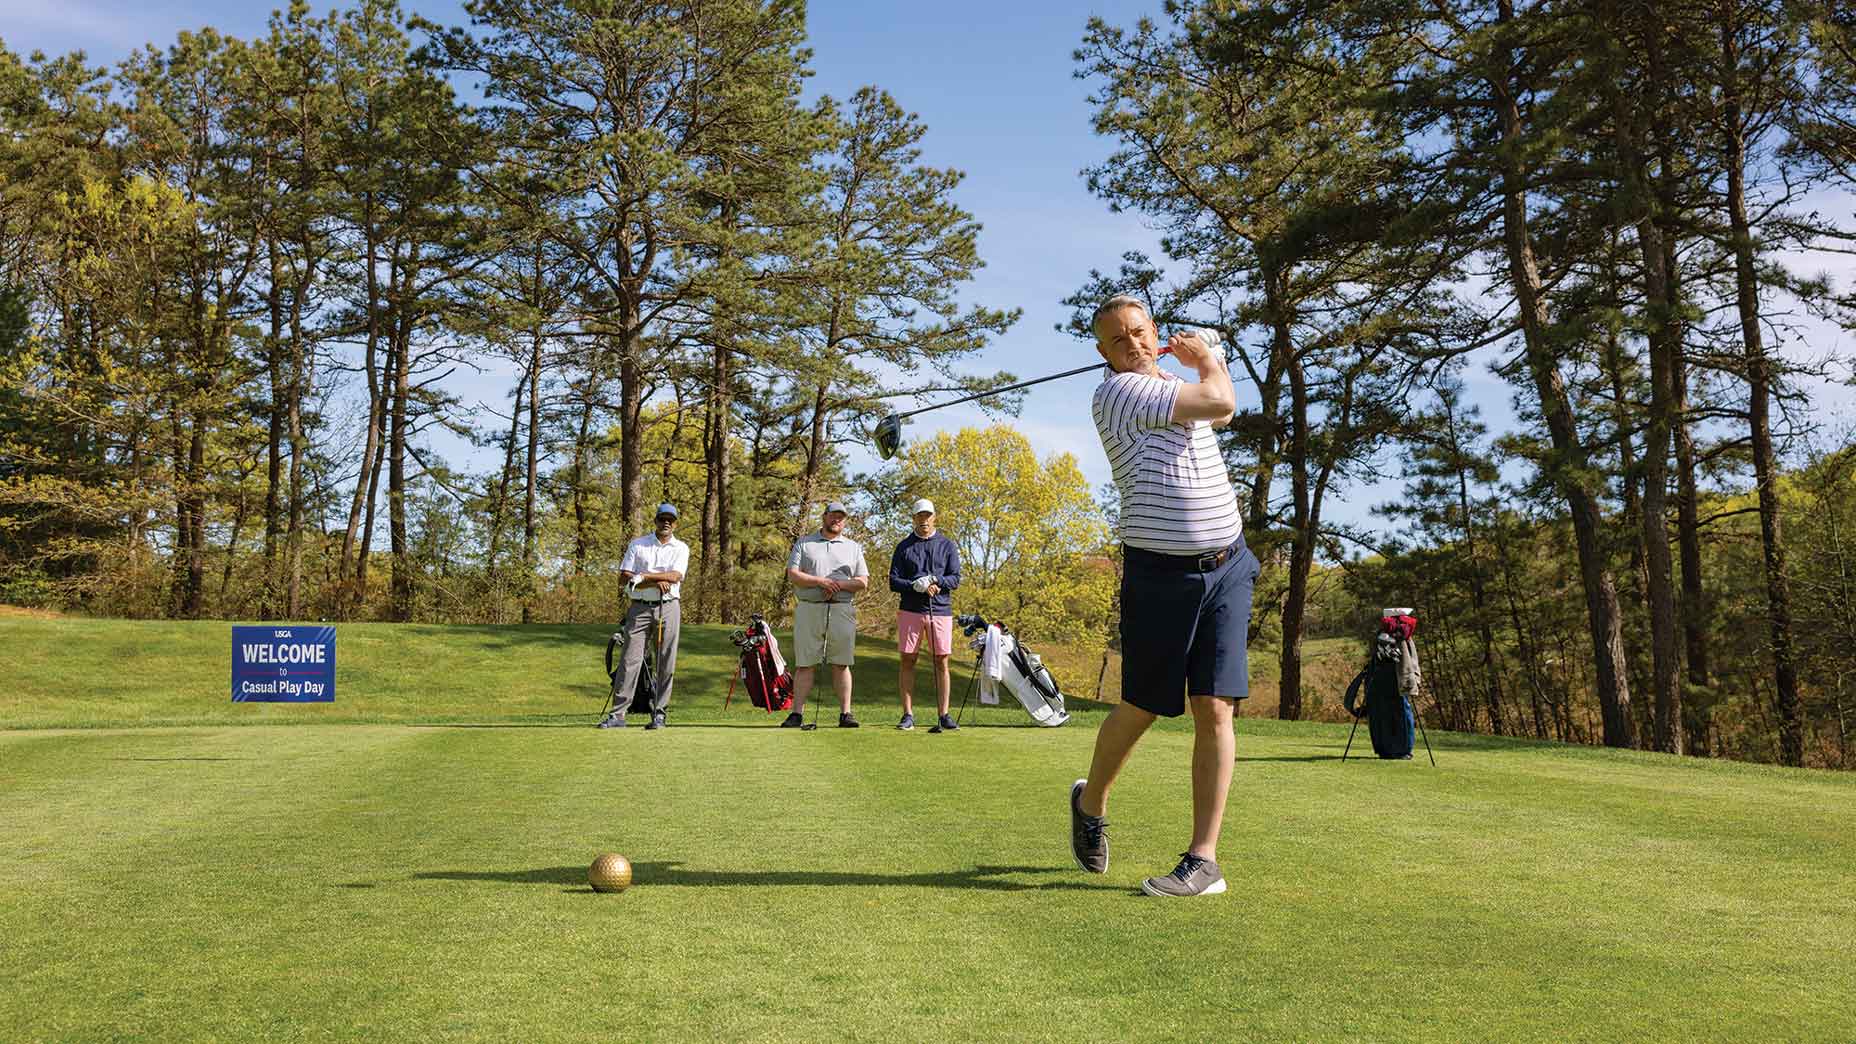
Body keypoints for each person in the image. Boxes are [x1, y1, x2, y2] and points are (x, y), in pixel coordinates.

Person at [1069, 293, 1259, 898]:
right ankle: (1091, 800)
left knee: (1215, 706)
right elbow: (1223, 401)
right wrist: (1207, 359)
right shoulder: (1120, 395)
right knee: (1145, 705)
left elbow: (1216, 387)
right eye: (1119, 340)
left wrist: (1204, 352)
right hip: (1159, 573)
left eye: (1142, 332)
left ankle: (1204, 861)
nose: (1135, 345)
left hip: (1229, 564)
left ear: (1155, 332)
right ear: (1104, 354)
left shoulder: (1170, 381)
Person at [598, 503, 688, 731]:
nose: (666, 523)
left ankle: (659, 712)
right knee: (629, 660)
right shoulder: (638, 545)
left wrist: (643, 577)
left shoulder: (681, 547)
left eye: (670, 519)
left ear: (675, 523)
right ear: (656, 520)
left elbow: (676, 576)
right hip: (639, 608)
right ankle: (618, 714)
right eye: (662, 518)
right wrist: (657, 580)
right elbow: (624, 577)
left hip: (668, 607)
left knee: (665, 660)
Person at [783, 500, 870, 728]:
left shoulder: (853, 547)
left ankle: (846, 714)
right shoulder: (805, 543)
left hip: (842, 609)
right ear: (824, 516)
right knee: (805, 663)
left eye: (841, 517)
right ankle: (796, 714)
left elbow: (862, 581)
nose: (837, 520)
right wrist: (821, 582)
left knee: (841, 662)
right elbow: (793, 574)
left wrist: (838, 585)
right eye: (833, 515)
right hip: (810, 608)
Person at [888, 498, 962, 732]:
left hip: (940, 610)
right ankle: (908, 714)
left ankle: (944, 714)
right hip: (911, 609)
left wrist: (935, 581)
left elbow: (955, 578)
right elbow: (893, 581)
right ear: (914, 519)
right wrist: (914, 585)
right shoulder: (904, 547)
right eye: (920, 516)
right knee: (908, 659)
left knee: (941, 660)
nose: (924, 521)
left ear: (934, 517)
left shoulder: (947, 545)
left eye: (928, 516)